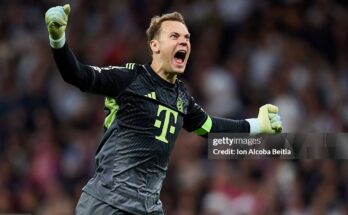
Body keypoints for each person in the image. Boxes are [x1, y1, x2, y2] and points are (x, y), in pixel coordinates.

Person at [45, 4, 282, 215]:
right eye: (174, 36)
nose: (184, 42)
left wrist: (257, 125)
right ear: (155, 45)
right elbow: (77, 74)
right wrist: (58, 40)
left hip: (148, 207)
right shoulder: (129, 78)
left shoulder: (182, 97)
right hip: (109, 202)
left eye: (187, 38)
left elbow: (209, 127)